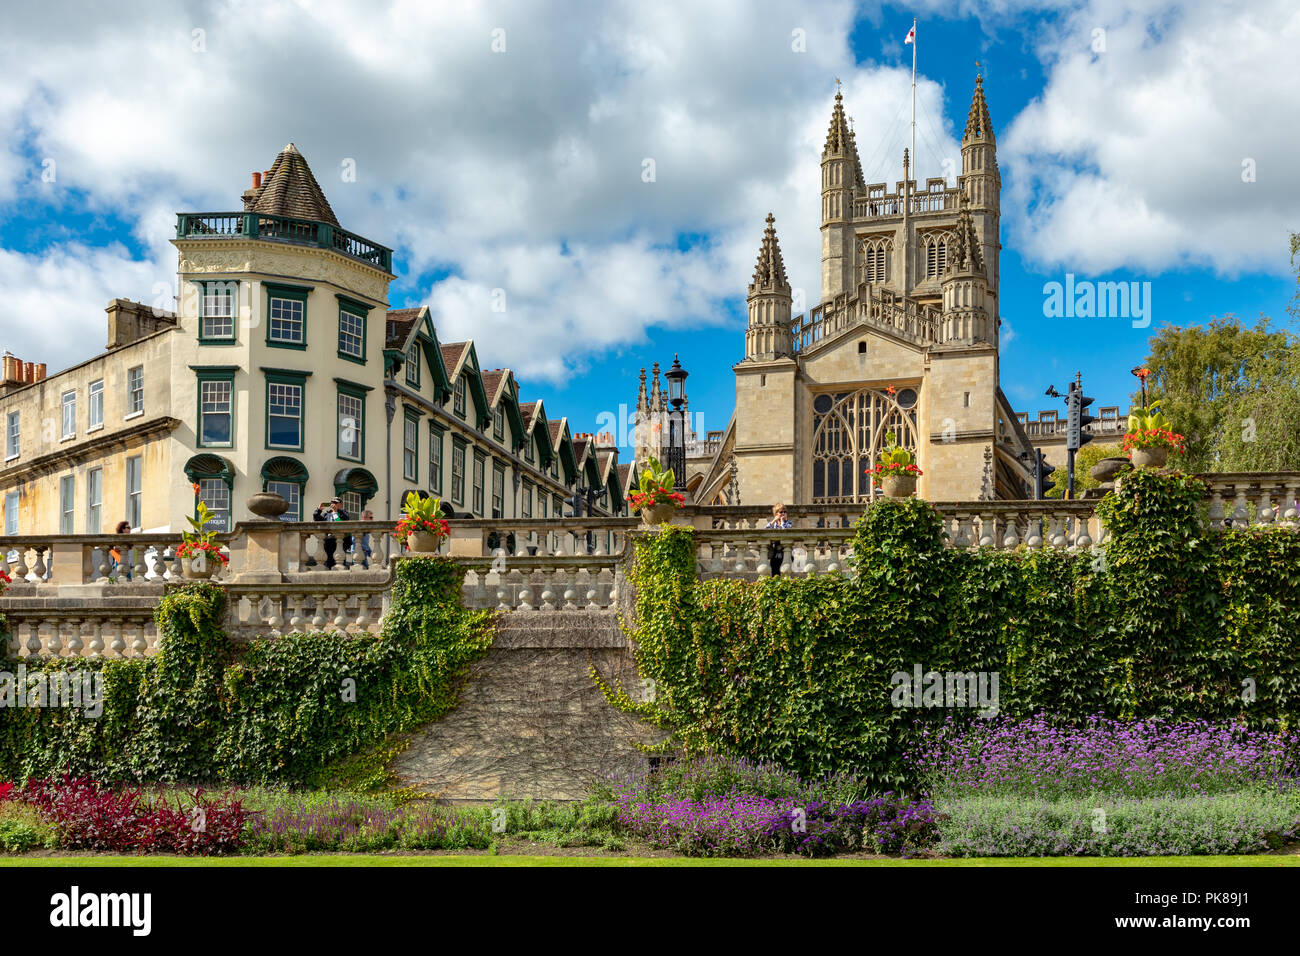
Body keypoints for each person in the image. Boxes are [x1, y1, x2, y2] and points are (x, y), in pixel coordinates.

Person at [312, 497, 353, 569]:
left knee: (339, 561)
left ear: (340, 504)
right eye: (332, 503)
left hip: (340, 541)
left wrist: (335, 512)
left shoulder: (344, 513)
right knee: (328, 561)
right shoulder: (326, 514)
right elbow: (316, 519)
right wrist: (319, 510)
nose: (333, 504)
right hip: (328, 541)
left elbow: (340, 523)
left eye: (335, 503)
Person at [765, 503, 792, 577]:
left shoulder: (789, 523)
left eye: (785, 512)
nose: (783, 513)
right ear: (776, 513)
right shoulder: (773, 524)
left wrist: (783, 522)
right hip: (775, 552)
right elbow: (765, 531)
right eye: (781, 512)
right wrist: (774, 521)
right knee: (775, 573)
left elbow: (785, 533)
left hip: (785, 551)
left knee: (785, 573)